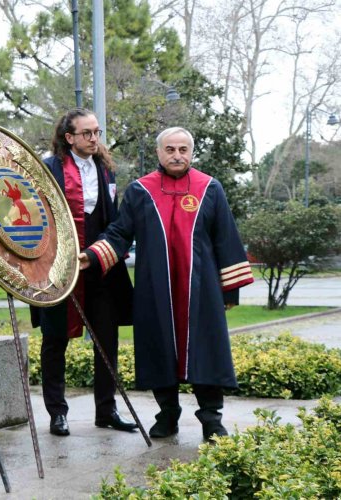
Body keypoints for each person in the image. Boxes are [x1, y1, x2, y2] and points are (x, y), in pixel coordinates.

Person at [79, 127, 254, 441]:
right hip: (155, 290)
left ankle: (211, 419)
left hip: (201, 292)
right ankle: (167, 415)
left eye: (183, 149)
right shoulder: (140, 191)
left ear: (191, 152)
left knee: (206, 351)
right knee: (158, 350)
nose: (177, 155)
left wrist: (230, 290)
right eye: (170, 149)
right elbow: (119, 234)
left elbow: (226, 240)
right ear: (159, 153)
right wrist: (91, 256)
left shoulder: (210, 188)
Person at [31, 108, 137, 437]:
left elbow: (112, 218)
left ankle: (106, 410)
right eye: (87, 133)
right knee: (55, 340)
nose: (94, 138)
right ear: (69, 137)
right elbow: (36, 219)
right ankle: (57, 413)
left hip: (100, 265)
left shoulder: (105, 168)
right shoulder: (48, 168)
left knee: (107, 339)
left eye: (97, 132)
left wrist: (99, 252)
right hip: (59, 269)